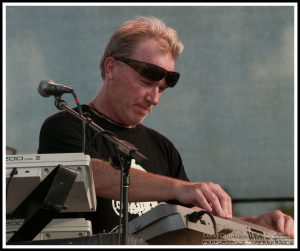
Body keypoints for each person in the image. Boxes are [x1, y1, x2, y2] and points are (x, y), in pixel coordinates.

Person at [38, 16, 294, 239]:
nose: (155, 98)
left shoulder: (163, 148)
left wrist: (255, 224)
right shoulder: (64, 126)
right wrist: (179, 188)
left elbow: (197, 219)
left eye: (161, 89)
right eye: (145, 81)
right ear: (111, 68)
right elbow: (84, 174)